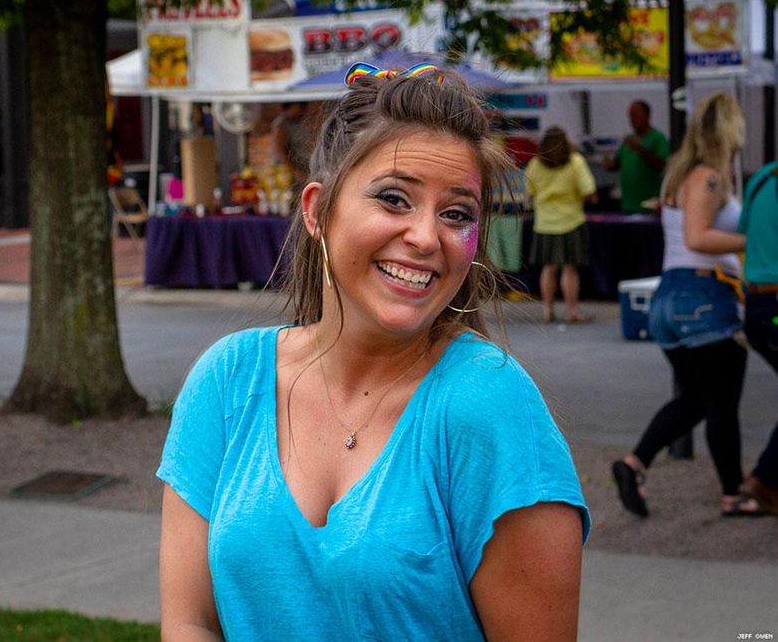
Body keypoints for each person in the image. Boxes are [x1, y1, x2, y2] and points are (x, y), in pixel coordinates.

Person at [158, 63, 590, 641]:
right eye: (394, 199)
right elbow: (189, 622)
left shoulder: (490, 405)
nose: (426, 237)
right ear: (317, 210)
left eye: (456, 213)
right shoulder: (226, 380)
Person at [612, 93, 750, 518]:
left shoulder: (680, 175)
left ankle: (634, 463)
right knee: (721, 401)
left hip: (671, 299)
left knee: (696, 399)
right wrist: (754, 241)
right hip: (703, 296)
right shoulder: (709, 178)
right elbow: (697, 237)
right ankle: (733, 493)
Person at [735, 162, 778, 515]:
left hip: (758, 306)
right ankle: (764, 479)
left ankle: (765, 479)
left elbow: (744, 235)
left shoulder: (762, 177)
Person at [525, 126, 598, 324]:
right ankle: (571, 310)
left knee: (548, 267)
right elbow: (588, 191)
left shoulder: (535, 164)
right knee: (569, 269)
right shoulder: (575, 162)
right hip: (570, 222)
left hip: (544, 223)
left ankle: (547, 310)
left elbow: (530, 192)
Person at [603, 100, 670, 214]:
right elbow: (617, 164)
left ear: (647, 116)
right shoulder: (629, 139)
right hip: (628, 205)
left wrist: (640, 150)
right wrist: (609, 165)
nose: (632, 119)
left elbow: (663, 166)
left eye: (635, 115)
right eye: (630, 116)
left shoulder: (658, 138)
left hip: (649, 207)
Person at [271, 101, 313, 188]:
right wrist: (294, 171)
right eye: (300, 106)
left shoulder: (300, 121)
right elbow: (280, 151)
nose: (303, 109)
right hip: (287, 172)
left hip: (302, 169)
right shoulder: (282, 124)